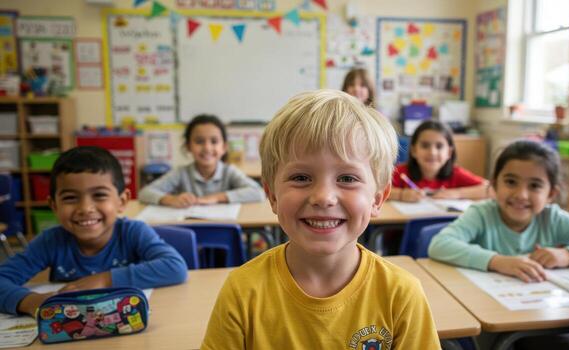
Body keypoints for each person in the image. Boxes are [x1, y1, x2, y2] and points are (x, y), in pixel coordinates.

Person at [201, 90, 440, 349]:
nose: (324, 197)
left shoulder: (401, 295)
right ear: (272, 196)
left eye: (347, 178)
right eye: (301, 177)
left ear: (377, 199)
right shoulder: (242, 292)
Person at [0, 146, 188, 316]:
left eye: (99, 195)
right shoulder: (51, 242)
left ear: (122, 201)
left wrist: (105, 280)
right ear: (53, 205)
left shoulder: (133, 232)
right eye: (70, 197)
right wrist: (30, 301)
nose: (85, 208)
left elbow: (175, 267)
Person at [429, 139, 569, 283]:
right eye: (510, 182)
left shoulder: (552, 218)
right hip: (488, 317)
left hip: (539, 311)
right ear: (495, 184)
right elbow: (439, 245)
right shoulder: (482, 214)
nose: (521, 195)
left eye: (535, 186)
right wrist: (497, 261)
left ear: (551, 193)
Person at [139, 114, 264, 208]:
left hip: (222, 228)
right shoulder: (181, 173)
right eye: (199, 141)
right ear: (188, 146)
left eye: (214, 142)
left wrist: (216, 198)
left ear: (224, 147)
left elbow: (258, 193)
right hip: (190, 230)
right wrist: (171, 199)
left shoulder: (228, 172)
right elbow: (144, 193)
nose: (207, 148)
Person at [390, 120, 489, 202]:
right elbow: (377, 191)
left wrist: (456, 193)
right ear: (414, 150)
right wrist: (400, 194)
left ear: (449, 152)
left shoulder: (455, 173)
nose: (432, 152)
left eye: (439, 146)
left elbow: (491, 189)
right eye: (425, 146)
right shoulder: (401, 172)